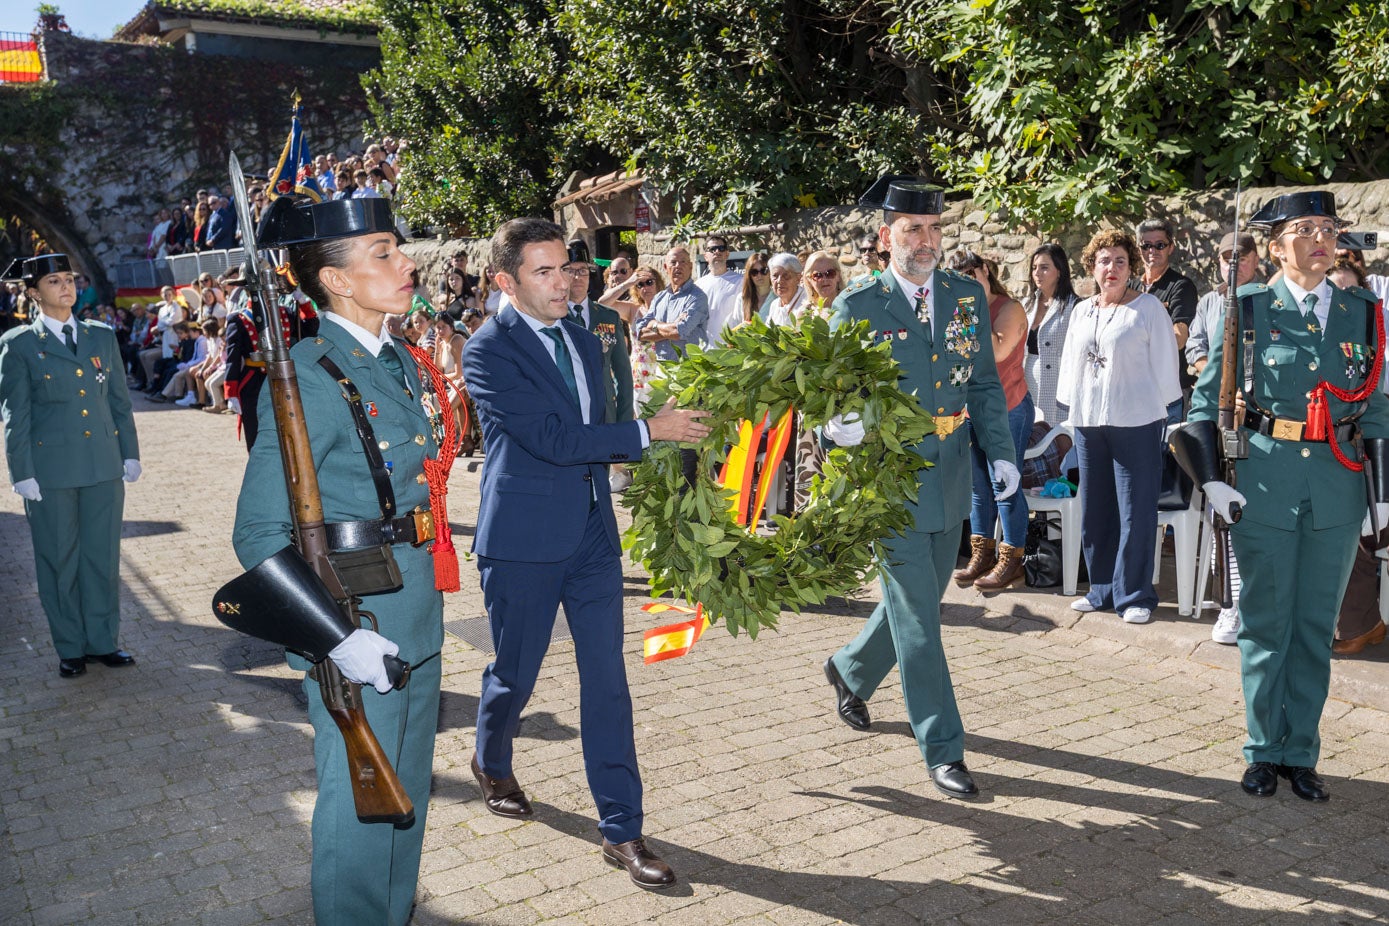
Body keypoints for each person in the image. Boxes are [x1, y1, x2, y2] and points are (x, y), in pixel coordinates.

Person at [461, 217, 711, 889]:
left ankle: (622, 829)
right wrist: (648, 431)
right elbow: (553, 439)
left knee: (607, 681)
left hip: (594, 535)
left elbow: (606, 424)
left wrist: (667, 426)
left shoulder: (583, 335)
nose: (562, 283)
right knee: (516, 672)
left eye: (565, 269)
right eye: (542, 272)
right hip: (523, 541)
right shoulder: (487, 351)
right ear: (505, 281)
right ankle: (491, 760)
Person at [232, 195, 455, 924]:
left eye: (398, 247)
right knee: (362, 807)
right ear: (334, 280)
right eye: (382, 252)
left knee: (404, 798)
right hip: (358, 622)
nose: (406, 262)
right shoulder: (308, 377)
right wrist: (337, 639)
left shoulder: (391, 357)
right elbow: (259, 532)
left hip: (412, 606)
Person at [1181, 191, 1389, 803]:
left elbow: (1375, 406)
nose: (1321, 239)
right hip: (1264, 484)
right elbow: (1204, 404)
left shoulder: (1360, 311)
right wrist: (1212, 480)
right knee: (1266, 624)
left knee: (1315, 626)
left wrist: (1382, 493)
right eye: (1305, 228)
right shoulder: (1246, 310)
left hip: (1336, 486)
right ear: (1275, 246)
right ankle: (1262, 751)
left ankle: (1301, 754)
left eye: (1328, 228)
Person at [821, 178, 1020, 799]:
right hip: (892, 478)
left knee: (917, 603)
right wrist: (837, 424)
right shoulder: (857, 305)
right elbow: (828, 389)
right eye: (912, 229)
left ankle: (850, 669)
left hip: (951, 473)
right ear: (887, 237)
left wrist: (1002, 453)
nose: (926, 240)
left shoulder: (964, 296)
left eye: (934, 228)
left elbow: (982, 383)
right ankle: (943, 746)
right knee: (920, 621)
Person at [0, 254, 141, 678]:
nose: (66, 287)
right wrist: (21, 471)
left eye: (69, 279)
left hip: (102, 466)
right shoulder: (20, 344)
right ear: (33, 292)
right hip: (51, 472)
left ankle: (103, 641)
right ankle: (70, 646)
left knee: (102, 558)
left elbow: (118, 401)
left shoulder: (101, 336)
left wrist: (129, 451)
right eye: (54, 281)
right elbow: (16, 415)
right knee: (59, 561)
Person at [1057, 229, 1181, 625]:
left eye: (1120, 261)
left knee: (1135, 510)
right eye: (1104, 261)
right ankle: (1101, 589)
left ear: (1131, 268)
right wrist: (1070, 408)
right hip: (1089, 421)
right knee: (1096, 510)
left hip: (1137, 421)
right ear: (1092, 267)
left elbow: (1166, 365)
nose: (1112, 268)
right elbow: (1070, 364)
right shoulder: (1082, 311)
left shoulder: (1148, 308)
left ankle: (1135, 596)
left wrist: (1163, 408)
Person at [1186, 231, 1262, 645]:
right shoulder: (1210, 303)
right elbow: (1199, 353)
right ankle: (1229, 606)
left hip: (1260, 423)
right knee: (1225, 518)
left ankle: (1256, 607)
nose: (1234, 263)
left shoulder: (1265, 300)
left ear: (1257, 259)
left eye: (1241, 255)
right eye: (1226, 256)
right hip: (1222, 419)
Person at [947, 249, 1032, 591]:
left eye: (971, 274)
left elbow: (997, 350)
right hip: (971, 409)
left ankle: (1012, 559)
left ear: (985, 270)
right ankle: (981, 555)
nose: (966, 282)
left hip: (1009, 408)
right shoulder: (960, 311)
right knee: (977, 488)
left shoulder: (1009, 308)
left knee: (1004, 484)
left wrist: (968, 308)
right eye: (958, 279)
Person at [564, 240, 634, 426]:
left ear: (590, 274)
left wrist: (624, 424)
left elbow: (623, 375)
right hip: (569, 418)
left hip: (605, 416)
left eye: (582, 271)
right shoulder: (553, 318)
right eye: (570, 271)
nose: (577, 277)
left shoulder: (608, 316)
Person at [1135, 217, 1198, 419]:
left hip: (1166, 395)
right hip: (1133, 391)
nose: (1152, 250)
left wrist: (1134, 339)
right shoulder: (1130, 287)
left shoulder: (1181, 286)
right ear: (1138, 249)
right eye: (1146, 245)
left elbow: (1179, 338)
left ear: (1171, 247)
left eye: (1159, 245)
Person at [1022, 242, 1078, 426]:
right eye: (1034, 268)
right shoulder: (1026, 304)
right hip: (1027, 384)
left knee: (1056, 435)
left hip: (1059, 386)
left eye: (1044, 268)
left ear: (1059, 271)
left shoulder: (1075, 306)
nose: (1037, 273)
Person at [694, 234, 745, 346]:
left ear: (727, 254)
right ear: (705, 256)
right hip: (704, 349)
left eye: (721, 248)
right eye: (712, 249)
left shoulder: (741, 281)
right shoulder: (697, 285)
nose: (717, 252)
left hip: (731, 348)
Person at [762, 252, 806, 325]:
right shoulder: (775, 305)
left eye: (786, 276)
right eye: (775, 276)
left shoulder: (807, 302)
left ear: (798, 278)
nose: (779, 281)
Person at [738, 252, 771, 325]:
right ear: (749, 275)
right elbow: (737, 325)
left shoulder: (779, 298)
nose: (759, 275)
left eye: (764, 271)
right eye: (754, 272)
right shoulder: (742, 298)